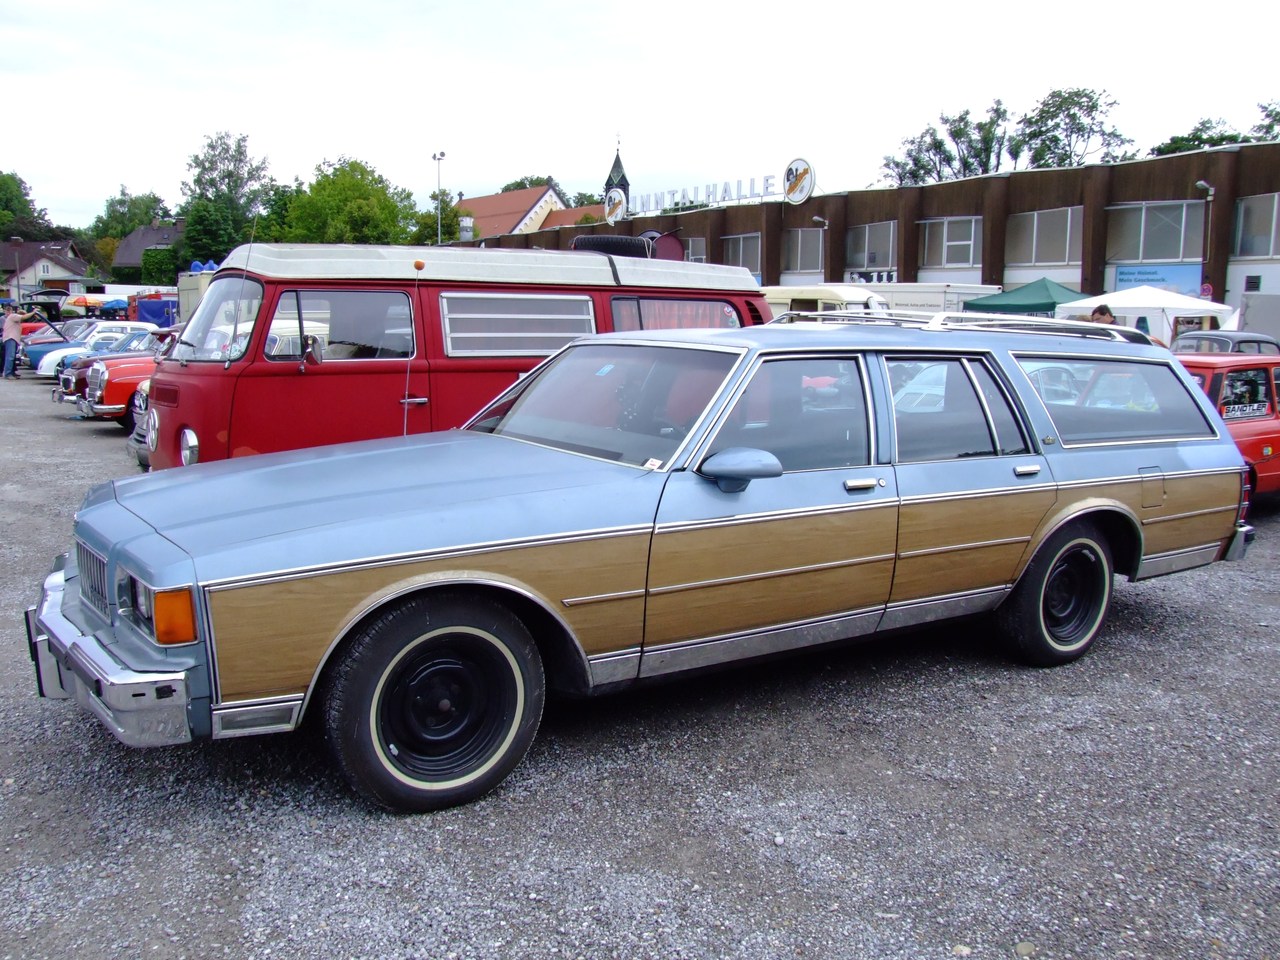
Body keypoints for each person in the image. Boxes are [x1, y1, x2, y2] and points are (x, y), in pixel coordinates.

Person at [2, 303, 39, 379]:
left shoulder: (12, 317)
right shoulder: (13, 316)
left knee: (12, 357)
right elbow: (24, 317)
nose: (9, 311)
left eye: (10, 309)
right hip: (10, 338)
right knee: (10, 357)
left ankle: (12, 372)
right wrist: (33, 312)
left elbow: (23, 316)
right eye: (8, 309)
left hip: (12, 338)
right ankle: (8, 374)